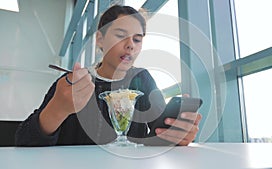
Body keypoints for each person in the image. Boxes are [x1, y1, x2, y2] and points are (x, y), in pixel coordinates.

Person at [15, 5, 201, 146]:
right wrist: (57, 110)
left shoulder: (142, 80)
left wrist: (175, 134)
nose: (131, 45)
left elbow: (156, 134)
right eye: (121, 35)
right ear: (100, 39)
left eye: (137, 39)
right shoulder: (72, 83)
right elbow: (23, 142)